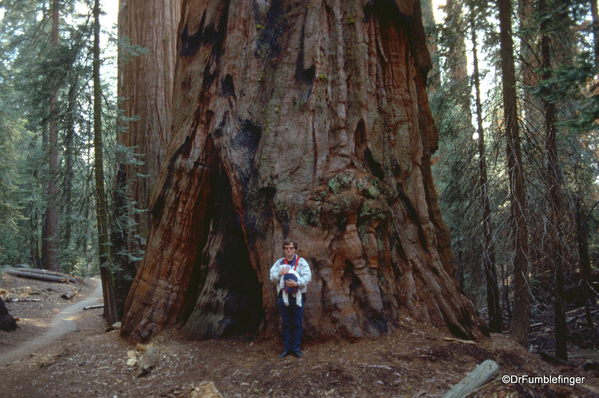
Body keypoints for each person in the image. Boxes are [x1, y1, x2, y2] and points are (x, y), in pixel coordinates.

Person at [269, 238, 311, 358]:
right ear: (284, 249)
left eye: (291, 248)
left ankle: (296, 348)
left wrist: (297, 284)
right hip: (283, 296)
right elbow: (272, 278)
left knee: (297, 322)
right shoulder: (279, 263)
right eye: (286, 248)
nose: (289, 250)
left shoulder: (301, 262)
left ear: (295, 249)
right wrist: (279, 274)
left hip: (299, 296)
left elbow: (308, 277)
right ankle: (287, 348)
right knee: (286, 322)